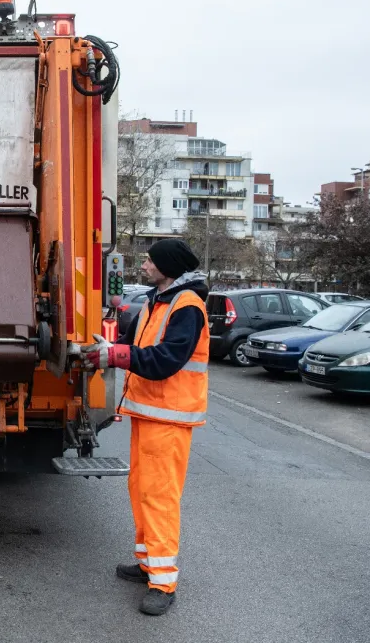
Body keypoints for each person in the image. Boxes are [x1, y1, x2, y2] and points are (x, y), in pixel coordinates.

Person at [84, 238, 208, 616]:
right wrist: (105, 348)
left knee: (160, 497)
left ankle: (164, 583)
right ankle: (147, 563)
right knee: (141, 490)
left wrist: (116, 355)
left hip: (169, 417)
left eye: (151, 261)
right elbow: (129, 342)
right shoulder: (159, 301)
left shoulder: (187, 307)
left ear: (167, 266)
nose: (143, 265)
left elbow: (166, 359)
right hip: (151, 414)